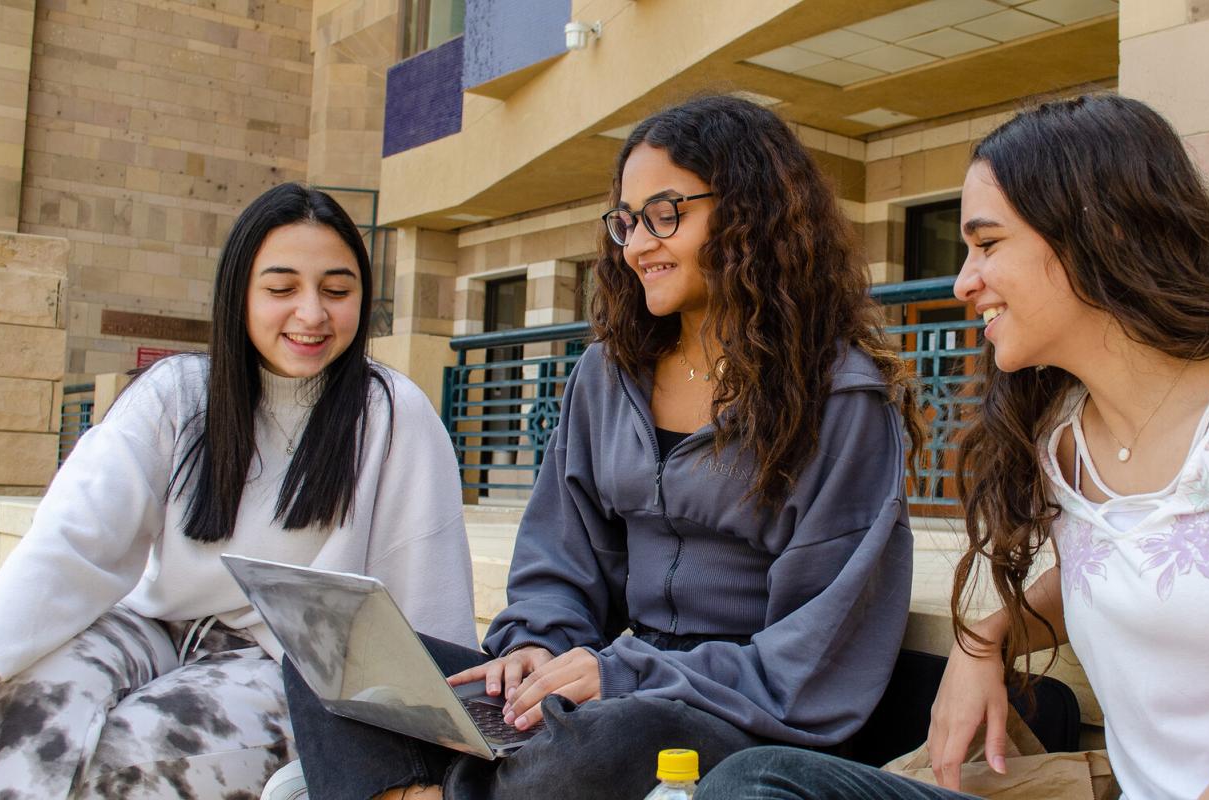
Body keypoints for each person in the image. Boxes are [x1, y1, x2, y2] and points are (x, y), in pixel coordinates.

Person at [695, 93, 1209, 799]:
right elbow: (1128, 557)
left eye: (988, 243)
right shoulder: (1067, 439)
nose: (962, 281)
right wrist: (984, 640)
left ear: (1095, 231)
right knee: (755, 785)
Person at [281, 94, 925, 800]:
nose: (638, 244)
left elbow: (815, 654)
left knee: (583, 754)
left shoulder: (841, 400)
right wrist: (534, 644)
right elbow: (560, 555)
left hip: (737, 714)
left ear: (751, 214)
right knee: (330, 654)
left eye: (665, 214)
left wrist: (623, 674)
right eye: (626, 221)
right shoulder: (607, 373)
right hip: (606, 682)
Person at [0, 183, 476, 800]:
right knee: (8, 720)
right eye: (281, 289)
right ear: (238, 293)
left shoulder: (392, 413)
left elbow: (429, 596)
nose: (312, 313)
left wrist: (429, 756)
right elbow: (73, 539)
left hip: (287, 668)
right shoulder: (178, 394)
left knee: (136, 753)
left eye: (337, 290)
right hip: (151, 626)